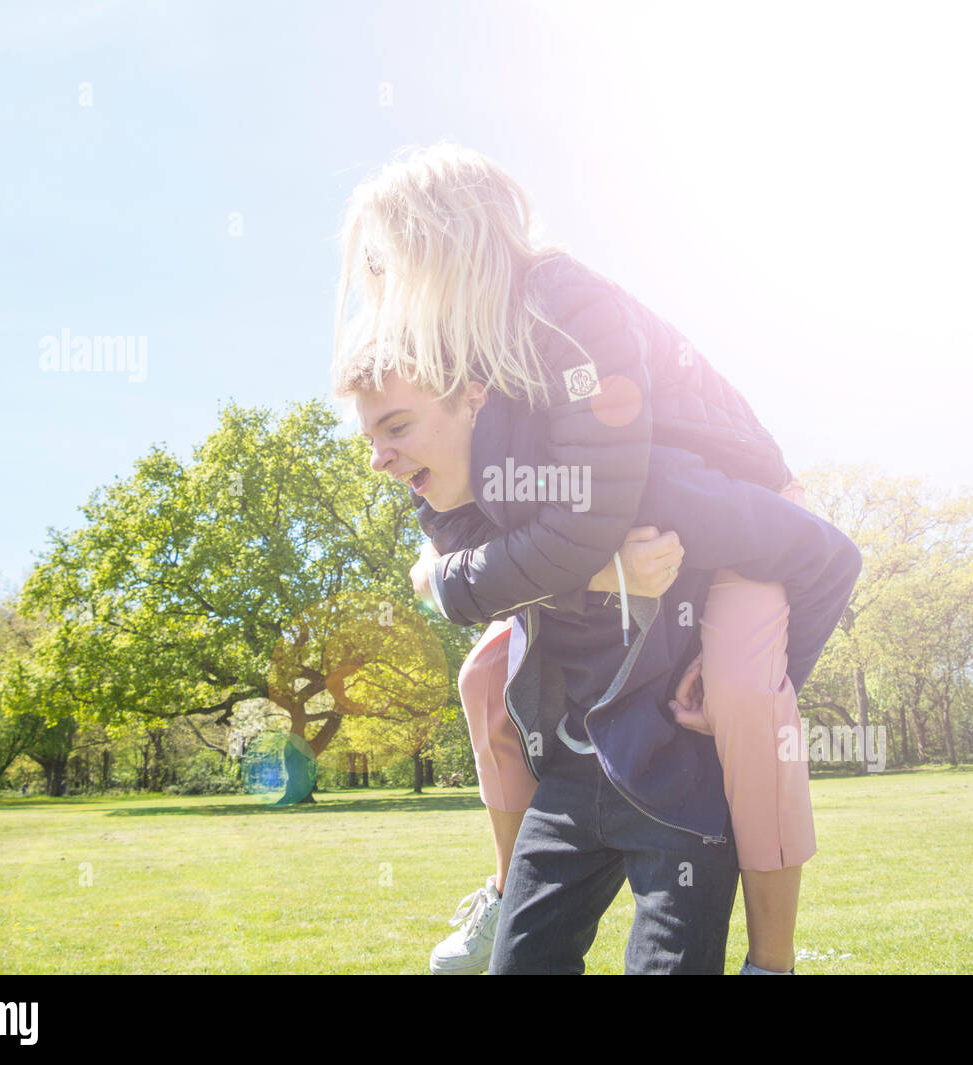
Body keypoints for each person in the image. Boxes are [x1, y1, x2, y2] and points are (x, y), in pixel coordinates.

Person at [332, 143, 861, 973]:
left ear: (445, 243)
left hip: (733, 508)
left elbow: (585, 525)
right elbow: (479, 528)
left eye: (388, 266)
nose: (384, 293)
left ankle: (773, 957)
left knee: (738, 693)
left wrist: (457, 583)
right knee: (484, 683)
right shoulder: (470, 359)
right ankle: (512, 888)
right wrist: (463, 573)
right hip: (648, 524)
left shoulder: (563, 302)